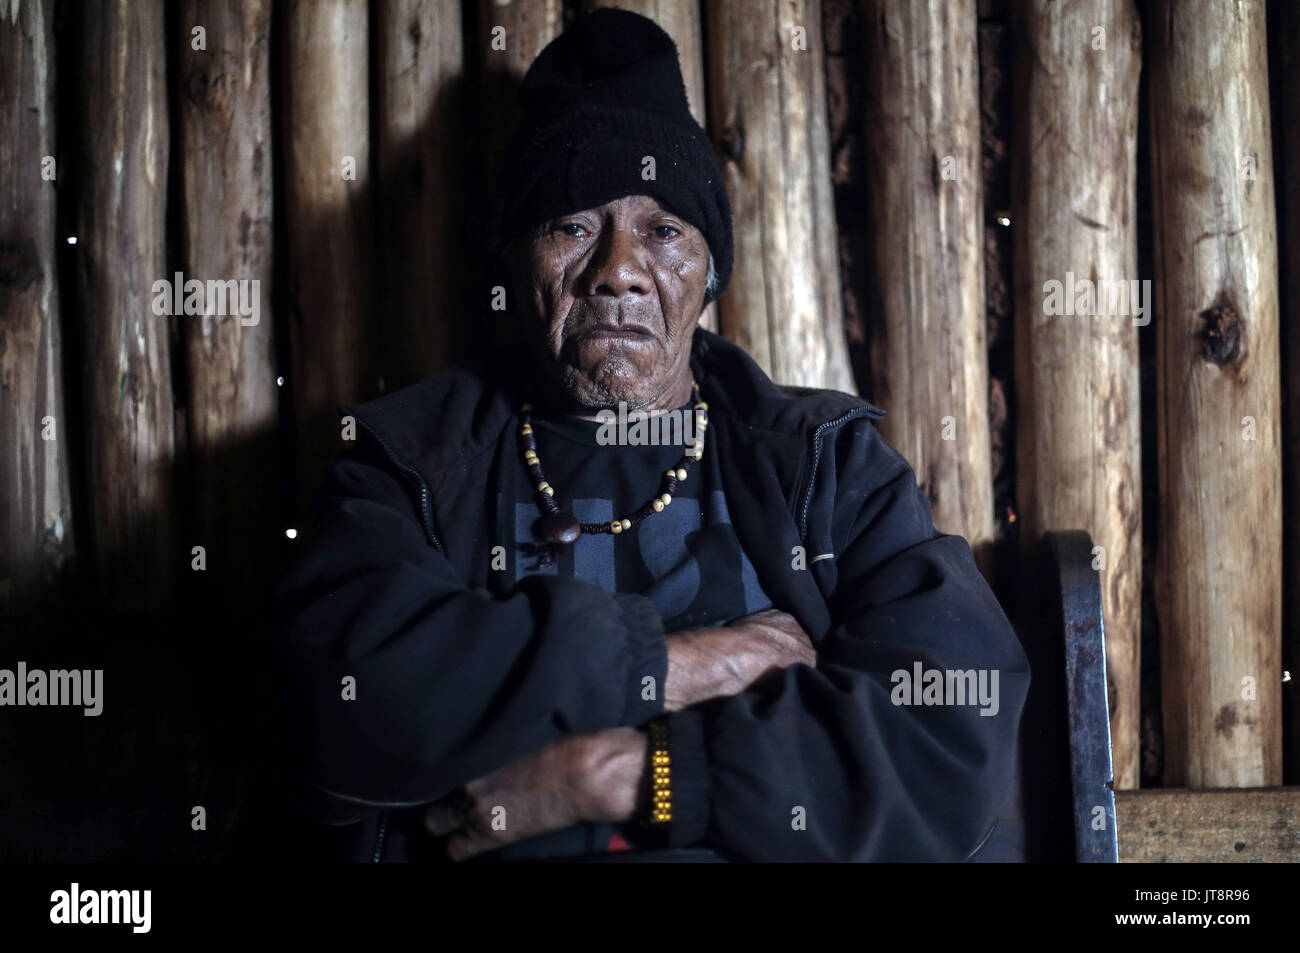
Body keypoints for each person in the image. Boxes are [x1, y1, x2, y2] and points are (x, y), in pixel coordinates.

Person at [269, 6, 1028, 863]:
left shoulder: (826, 464)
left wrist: (638, 774)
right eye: (573, 224)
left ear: (710, 272)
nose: (618, 269)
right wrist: (677, 665)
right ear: (517, 261)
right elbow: (338, 694)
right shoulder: (409, 464)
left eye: (663, 230)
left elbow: (950, 727)